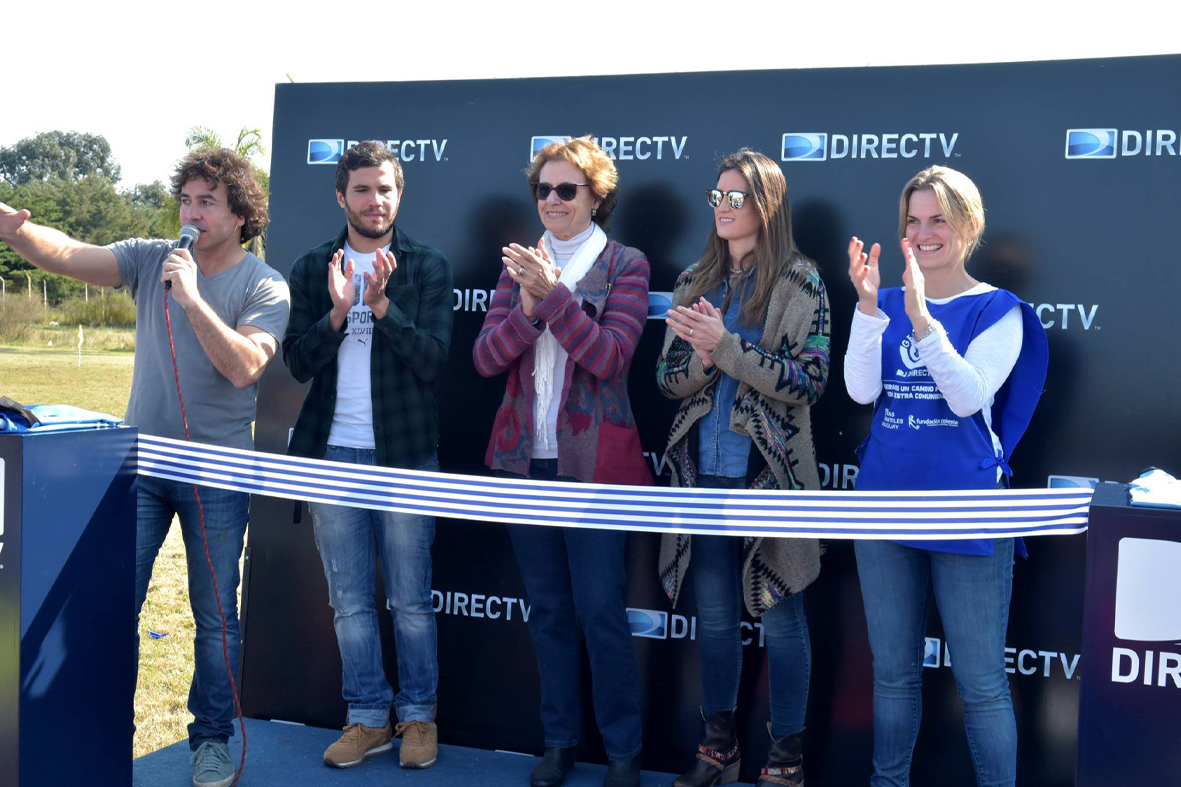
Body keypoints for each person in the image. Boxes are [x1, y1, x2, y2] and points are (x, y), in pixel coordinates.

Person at [0, 148, 290, 787]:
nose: (191, 213)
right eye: (186, 200)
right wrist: (15, 230)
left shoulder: (264, 284)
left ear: (240, 214)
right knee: (110, 603)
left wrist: (190, 299)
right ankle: (106, 734)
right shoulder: (150, 256)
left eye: (206, 202)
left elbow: (245, 366)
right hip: (140, 468)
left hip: (217, 475)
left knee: (215, 618)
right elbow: (71, 254)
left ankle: (211, 741)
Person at [844, 165, 1049, 787]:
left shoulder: (999, 310)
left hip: (966, 510)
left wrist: (923, 321)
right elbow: (860, 390)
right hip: (883, 506)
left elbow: (967, 397)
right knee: (892, 674)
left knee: (982, 682)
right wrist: (868, 309)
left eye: (938, 219)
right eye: (914, 220)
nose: (924, 232)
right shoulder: (884, 304)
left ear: (968, 226)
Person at [472, 135, 650, 787]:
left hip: (596, 470)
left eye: (565, 188)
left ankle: (624, 752)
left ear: (595, 196)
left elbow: (608, 358)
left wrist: (551, 298)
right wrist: (525, 305)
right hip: (525, 466)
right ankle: (558, 742)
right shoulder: (521, 263)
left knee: (601, 611)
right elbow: (486, 359)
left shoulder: (625, 264)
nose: (551, 199)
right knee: (546, 609)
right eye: (542, 188)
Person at [656, 149, 830, 787]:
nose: (724, 206)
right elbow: (667, 379)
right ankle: (717, 751)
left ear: (768, 205)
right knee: (719, 618)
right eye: (718, 195)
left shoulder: (801, 280)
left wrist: (725, 347)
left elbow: (809, 382)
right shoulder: (695, 279)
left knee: (782, 619)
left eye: (738, 196)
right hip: (701, 476)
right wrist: (704, 358)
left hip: (772, 479)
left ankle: (786, 763)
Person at [283, 140, 454, 771]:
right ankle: (365, 717)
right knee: (350, 601)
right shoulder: (310, 267)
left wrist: (380, 306)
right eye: (362, 189)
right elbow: (296, 364)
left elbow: (434, 361)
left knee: (411, 599)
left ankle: (417, 718)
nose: (374, 200)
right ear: (340, 196)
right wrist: (336, 313)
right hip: (331, 455)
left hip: (406, 456)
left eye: (385, 189)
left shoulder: (426, 266)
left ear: (399, 194)